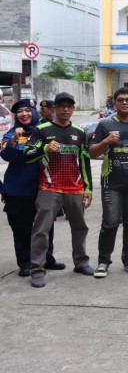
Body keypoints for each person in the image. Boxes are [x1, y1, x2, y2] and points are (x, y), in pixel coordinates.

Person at [24, 92, 93, 288]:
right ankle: (37, 270)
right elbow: (27, 154)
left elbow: (85, 162)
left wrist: (88, 189)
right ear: (54, 109)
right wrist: (44, 149)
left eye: (69, 106)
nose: (66, 109)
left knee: (80, 228)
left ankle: (81, 263)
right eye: (62, 106)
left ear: (73, 109)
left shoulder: (79, 132)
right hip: (49, 188)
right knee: (41, 230)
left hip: (75, 189)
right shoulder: (41, 130)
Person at [1, 99, 64, 277]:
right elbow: (6, 155)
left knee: (46, 226)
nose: (24, 114)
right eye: (20, 111)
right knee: (21, 229)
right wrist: (14, 141)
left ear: (34, 112)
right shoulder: (12, 134)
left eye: (27, 110)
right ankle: (26, 262)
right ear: (15, 115)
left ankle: (47, 258)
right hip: (19, 191)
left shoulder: (45, 130)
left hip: (44, 187)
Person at [88, 88, 128, 278]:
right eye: (120, 99)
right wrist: (106, 141)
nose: (124, 102)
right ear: (114, 103)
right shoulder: (105, 124)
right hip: (111, 183)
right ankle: (103, 262)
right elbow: (92, 152)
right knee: (110, 223)